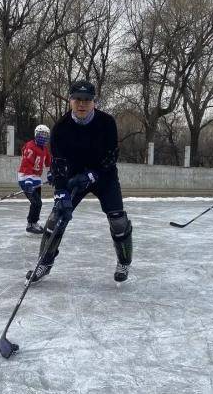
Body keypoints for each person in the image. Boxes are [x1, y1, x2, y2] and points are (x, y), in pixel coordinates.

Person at [26, 80, 133, 283]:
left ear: (93, 102)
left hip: (104, 176)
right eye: (77, 99)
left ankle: (124, 261)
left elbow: (110, 158)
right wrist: (61, 192)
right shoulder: (60, 128)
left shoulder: (107, 123)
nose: (82, 104)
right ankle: (44, 263)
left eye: (87, 100)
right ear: (70, 100)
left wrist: (92, 175)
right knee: (56, 217)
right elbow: (57, 164)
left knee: (118, 220)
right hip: (73, 177)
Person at [17, 125, 52, 234]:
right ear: (36, 134)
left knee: (38, 203)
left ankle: (34, 223)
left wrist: (51, 173)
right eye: (41, 134)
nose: (43, 137)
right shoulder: (30, 147)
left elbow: (49, 163)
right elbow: (26, 164)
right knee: (36, 203)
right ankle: (30, 224)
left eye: (45, 135)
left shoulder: (45, 149)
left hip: (36, 179)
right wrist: (28, 181)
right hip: (25, 178)